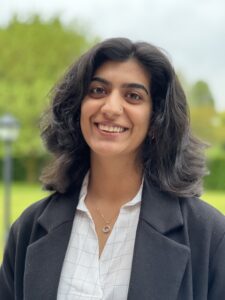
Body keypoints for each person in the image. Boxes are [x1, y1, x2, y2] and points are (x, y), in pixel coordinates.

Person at [0, 37, 225, 300]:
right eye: (97, 91)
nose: (111, 108)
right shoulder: (28, 229)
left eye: (133, 96)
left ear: (156, 120)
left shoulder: (209, 235)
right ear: (78, 108)